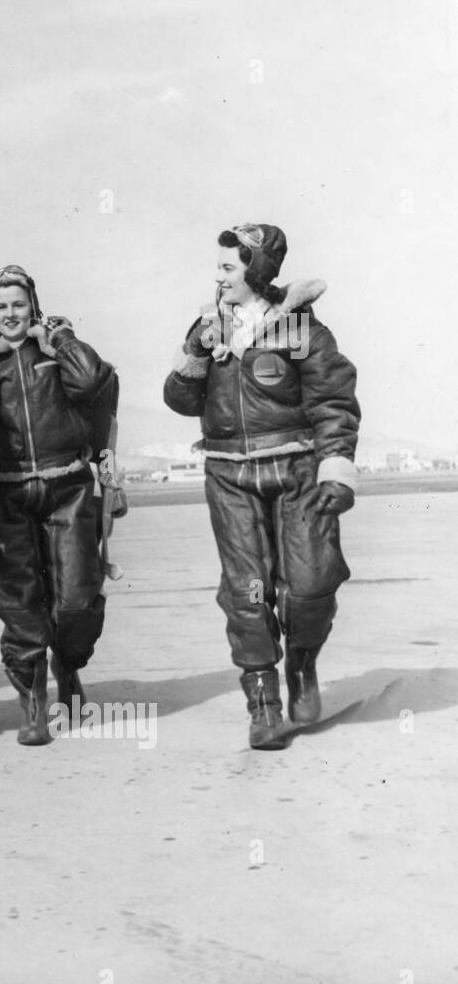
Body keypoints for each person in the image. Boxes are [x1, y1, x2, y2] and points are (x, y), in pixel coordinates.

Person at [163, 223, 359, 750]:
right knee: (247, 591)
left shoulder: (303, 330)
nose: (219, 277)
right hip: (229, 477)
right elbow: (180, 401)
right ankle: (264, 705)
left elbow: (333, 402)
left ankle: (302, 663)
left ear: (257, 271)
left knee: (311, 583)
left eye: (229, 267)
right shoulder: (209, 326)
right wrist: (194, 353)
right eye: (219, 267)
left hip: (297, 471)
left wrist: (335, 466)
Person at [0, 265, 116, 745]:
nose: (11, 314)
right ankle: (32, 700)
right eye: (1, 306)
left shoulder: (55, 351)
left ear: (33, 306)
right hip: (6, 495)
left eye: (19, 304)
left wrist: (63, 339)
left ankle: (69, 668)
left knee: (76, 599)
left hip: (67, 487)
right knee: (20, 605)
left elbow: (95, 382)